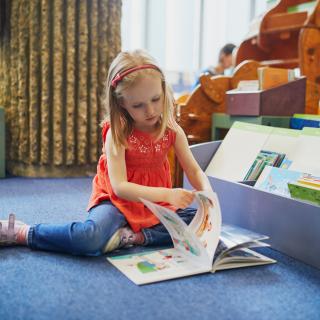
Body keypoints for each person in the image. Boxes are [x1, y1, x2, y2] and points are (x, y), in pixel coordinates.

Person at [0, 50, 214, 256]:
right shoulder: (117, 133)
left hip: (154, 205)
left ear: (164, 90)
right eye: (138, 105)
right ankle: (23, 233)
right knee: (89, 239)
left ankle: (132, 237)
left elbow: (194, 170)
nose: (150, 110)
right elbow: (121, 188)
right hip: (116, 202)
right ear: (121, 103)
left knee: (200, 221)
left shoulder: (172, 130)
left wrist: (207, 193)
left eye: (155, 99)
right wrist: (168, 195)